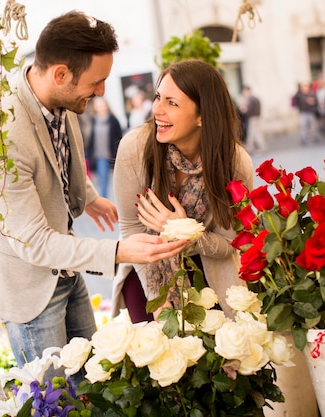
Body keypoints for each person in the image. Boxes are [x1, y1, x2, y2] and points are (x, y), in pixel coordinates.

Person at [0, 11, 188, 383]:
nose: (102, 91)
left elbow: (55, 162)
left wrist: (87, 196)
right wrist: (119, 252)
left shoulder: (62, 101)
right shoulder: (0, 137)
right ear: (60, 74)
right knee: (55, 400)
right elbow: (34, 243)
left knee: (94, 380)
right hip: (28, 287)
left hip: (65, 268)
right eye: (97, 81)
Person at [111, 59, 254, 322]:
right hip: (146, 269)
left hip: (206, 268)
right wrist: (159, 299)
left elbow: (230, 243)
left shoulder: (235, 163)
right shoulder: (134, 148)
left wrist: (185, 231)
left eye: (171, 103)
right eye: (157, 97)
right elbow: (130, 230)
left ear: (202, 115)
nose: (157, 110)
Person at [85, 96, 123, 198]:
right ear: (95, 107)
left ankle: (104, 199)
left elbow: (119, 137)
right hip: (97, 155)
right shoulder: (93, 121)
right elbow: (91, 140)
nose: (101, 107)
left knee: (105, 180)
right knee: (102, 179)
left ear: (106, 106)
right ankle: (104, 199)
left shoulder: (113, 120)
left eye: (102, 105)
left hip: (109, 153)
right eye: (98, 105)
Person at [238, 85, 265, 154]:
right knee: (257, 133)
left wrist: (244, 109)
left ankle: (250, 148)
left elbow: (248, 110)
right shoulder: (255, 98)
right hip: (257, 117)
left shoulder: (250, 99)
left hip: (253, 117)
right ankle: (262, 147)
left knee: (251, 133)